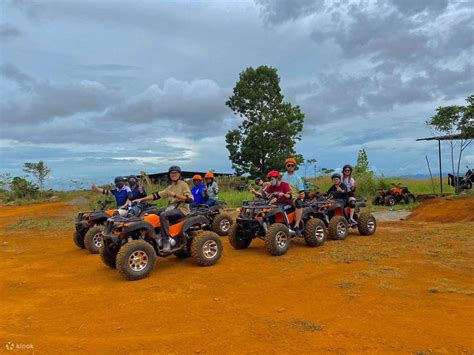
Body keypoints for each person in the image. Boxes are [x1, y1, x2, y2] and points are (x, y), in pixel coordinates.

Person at [133, 166, 193, 252]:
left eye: (176, 173)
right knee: (149, 212)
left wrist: (175, 195)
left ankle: (166, 241)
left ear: (179, 174)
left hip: (182, 209)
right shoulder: (170, 187)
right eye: (172, 173)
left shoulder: (183, 185)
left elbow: (190, 199)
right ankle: (150, 235)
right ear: (169, 175)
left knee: (164, 215)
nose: (174, 174)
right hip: (171, 207)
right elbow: (156, 195)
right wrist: (141, 199)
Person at [281, 157, 305, 237]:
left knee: (299, 204)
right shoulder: (283, 176)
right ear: (286, 166)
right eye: (288, 165)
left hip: (293, 198)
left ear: (294, 167)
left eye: (292, 165)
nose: (290, 167)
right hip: (284, 197)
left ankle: (296, 226)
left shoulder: (297, 178)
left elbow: (302, 193)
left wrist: (298, 196)